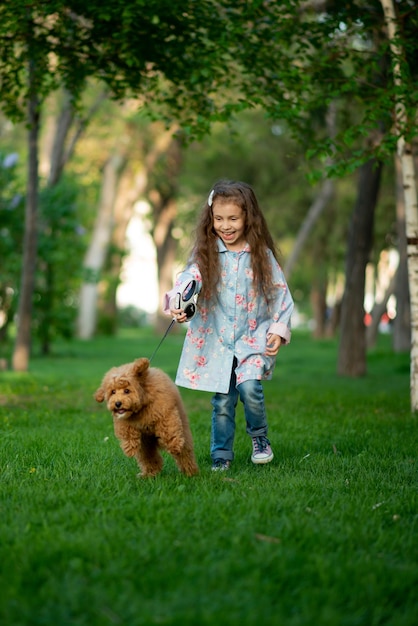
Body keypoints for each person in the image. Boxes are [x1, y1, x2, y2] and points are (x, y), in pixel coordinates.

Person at [163, 180, 294, 471]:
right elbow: (189, 278)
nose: (226, 225)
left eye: (233, 218)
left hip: (252, 337)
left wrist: (277, 328)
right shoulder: (206, 253)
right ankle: (221, 455)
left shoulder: (261, 255)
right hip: (219, 340)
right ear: (211, 219)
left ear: (248, 217)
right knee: (222, 403)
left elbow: (279, 293)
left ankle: (259, 438)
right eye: (219, 218)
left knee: (249, 389)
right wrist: (179, 301)